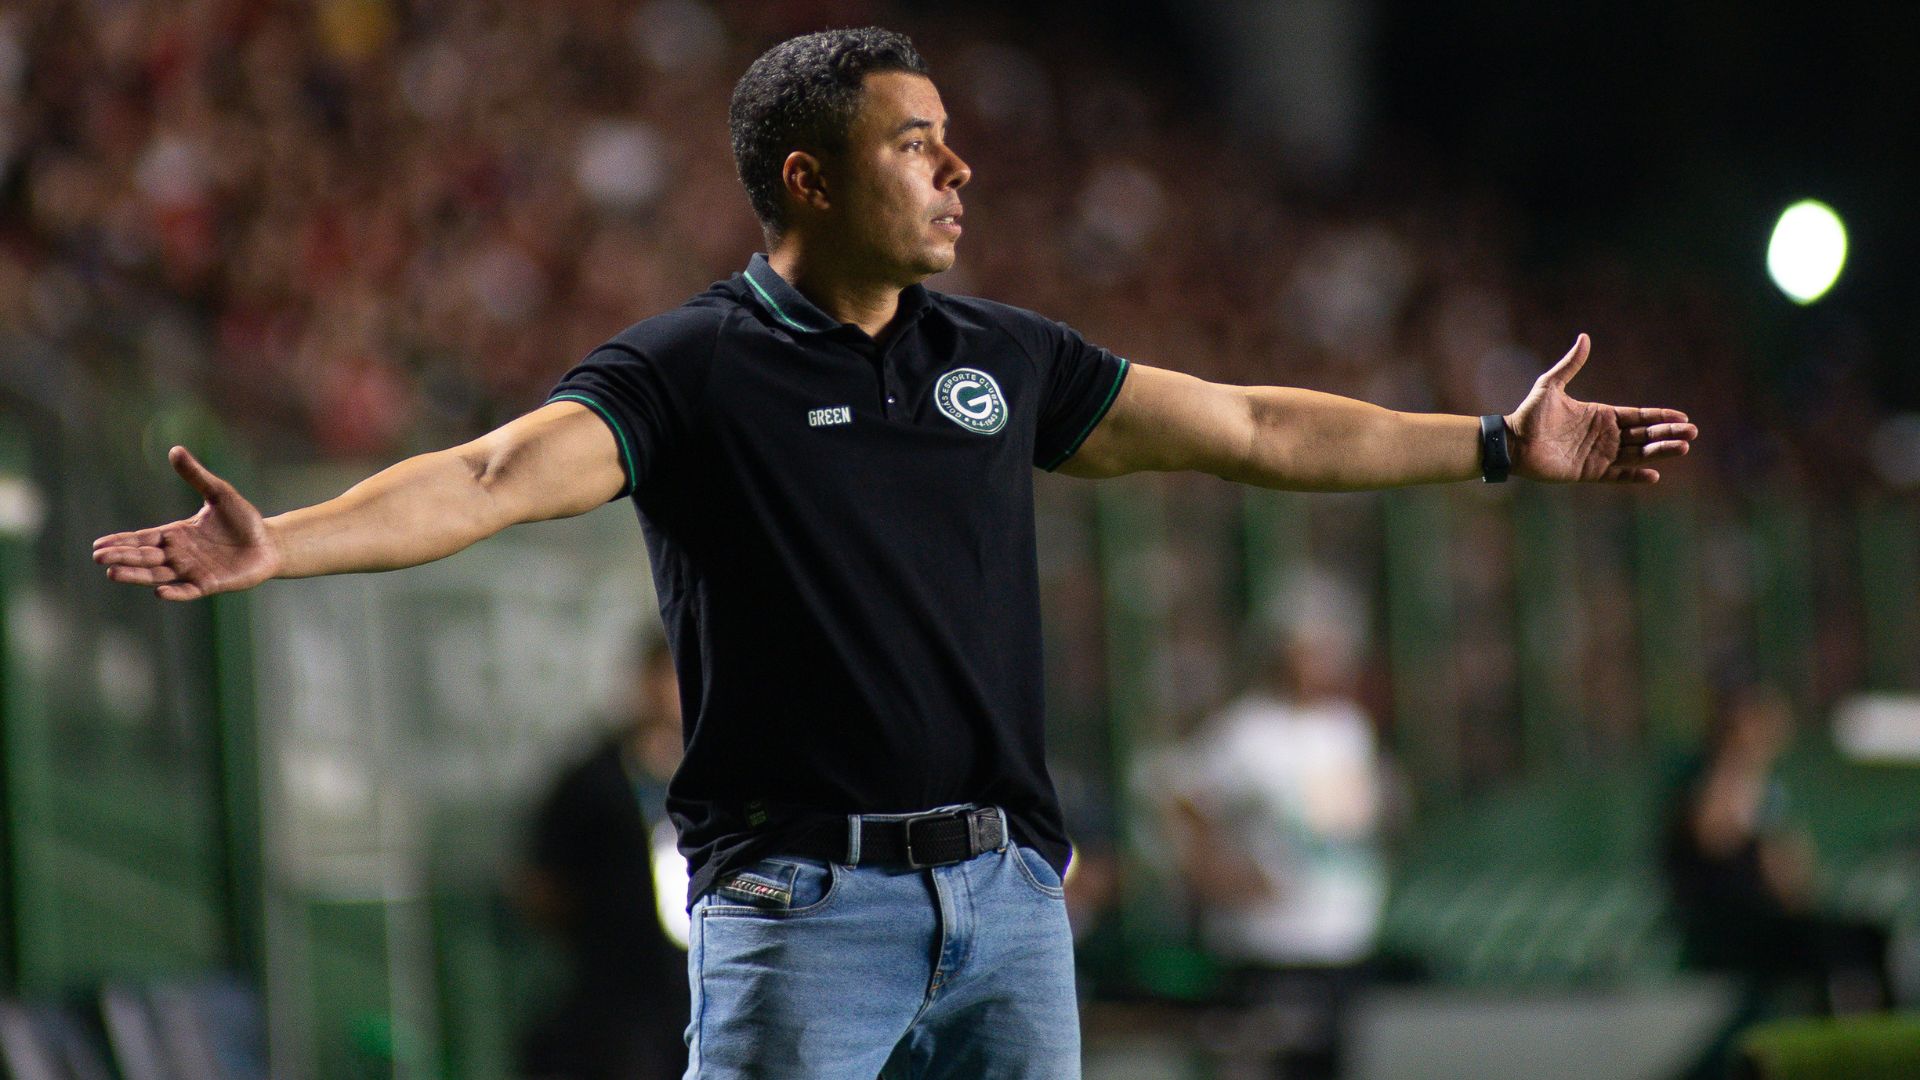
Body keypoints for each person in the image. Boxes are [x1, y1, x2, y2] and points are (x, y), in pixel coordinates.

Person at [92, 27, 1697, 1079]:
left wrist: (1495, 444)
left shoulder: (1005, 353)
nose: (960, 168)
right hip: (802, 914)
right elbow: (498, 471)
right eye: (918, 143)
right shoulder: (696, 368)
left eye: (951, 139)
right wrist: (280, 547)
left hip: (1009, 906)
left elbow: (1260, 432)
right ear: (811, 177)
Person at [1164, 568, 1390, 1078]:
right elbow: (1182, 802)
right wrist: (1219, 874)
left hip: (1341, 937)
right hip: (1270, 945)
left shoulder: (1348, 727)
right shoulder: (1247, 731)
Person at [1661, 679, 1894, 1078]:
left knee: (1866, 938)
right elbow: (1712, 834)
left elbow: (1789, 876)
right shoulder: (1710, 775)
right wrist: (1737, 761)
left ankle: (1871, 1047)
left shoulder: (1768, 789)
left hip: (1767, 920)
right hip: (1726, 923)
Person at [517, 633, 689, 1080]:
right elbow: (544, 885)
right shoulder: (592, 782)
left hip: (704, 985)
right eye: (663, 677)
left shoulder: (720, 779)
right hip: (621, 997)